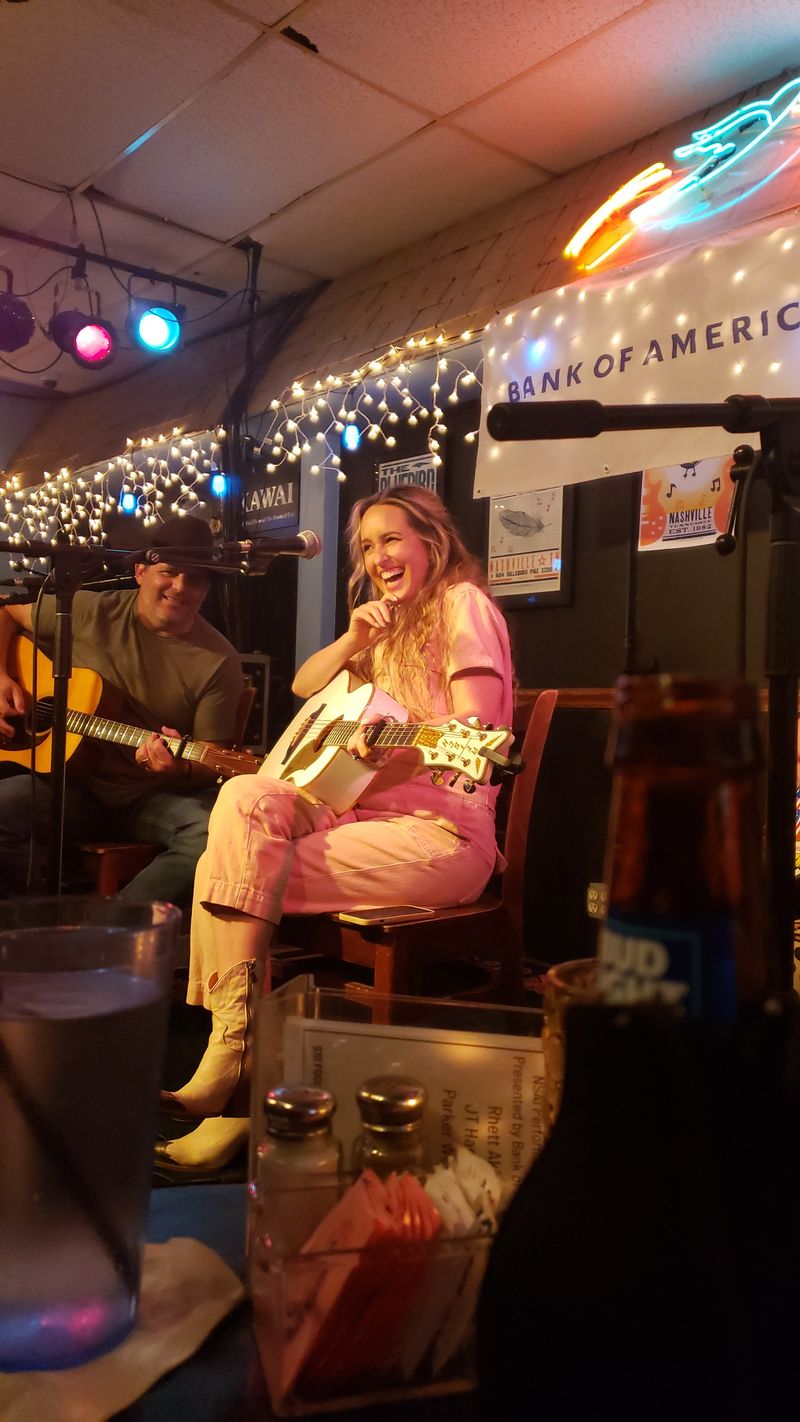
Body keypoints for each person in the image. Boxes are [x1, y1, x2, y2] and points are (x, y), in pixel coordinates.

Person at [156, 484, 514, 1174]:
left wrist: (404, 747)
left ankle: (235, 1073)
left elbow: (480, 734)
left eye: (392, 540)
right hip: (357, 811)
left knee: (220, 872)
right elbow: (306, 687)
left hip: (440, 835)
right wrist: (355, 636)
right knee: (244, 798)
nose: (379, 557)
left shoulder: (460, 605)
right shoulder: (383, 630)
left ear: (430, 543)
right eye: (367, 546)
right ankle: (237, 1044)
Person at [0, 515, 244, 906]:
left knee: (209, 833)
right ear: (140, 571)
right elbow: (7, 610)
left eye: (196, 579)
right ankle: (27, 928)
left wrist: (178, 766)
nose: (181, 587)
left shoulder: (219, 661)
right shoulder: (88, 610)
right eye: (170, 572)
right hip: (70, 785)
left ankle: (108, 938)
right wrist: (1, 677)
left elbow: (213, 760)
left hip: (145, 797)